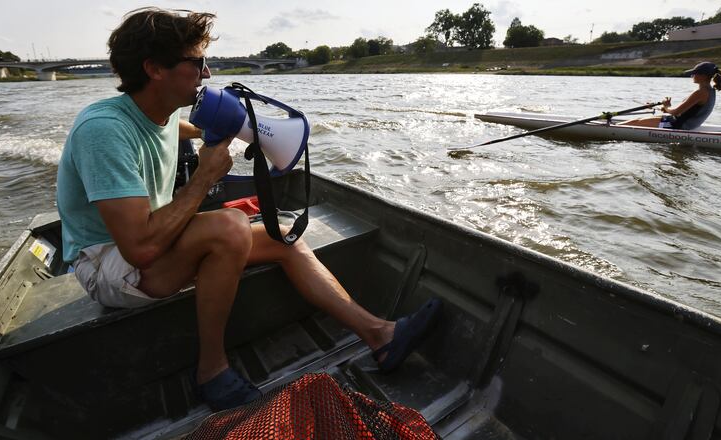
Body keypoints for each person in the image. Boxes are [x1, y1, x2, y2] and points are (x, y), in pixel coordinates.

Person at [56, 7, 441, 412]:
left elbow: (183, 131)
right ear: (154, 69)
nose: (206, 75)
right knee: (231, 225)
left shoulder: (162, 115)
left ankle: (380, 335)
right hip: (106, 263)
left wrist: (239, 127)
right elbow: (139, 250)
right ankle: (211, 370)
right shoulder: (103, 131)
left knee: (285, 239)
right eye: (197, 63)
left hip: (148, 244)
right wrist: (203, 178)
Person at [619, 62, 721, 130]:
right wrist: (666, 109)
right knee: (638, 120)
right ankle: (614, 126)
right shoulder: (710, 91)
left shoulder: (701, 92)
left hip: (677, 125)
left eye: (694, 73)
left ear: (703, 76)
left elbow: (676, 112)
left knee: (635, 123)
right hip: (681, 122)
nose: (692, 75)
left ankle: (608, 129)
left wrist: (667, 107)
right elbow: (683, 111)